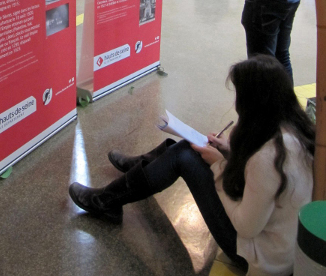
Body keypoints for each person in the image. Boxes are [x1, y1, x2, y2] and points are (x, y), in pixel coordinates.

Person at [69, 55, 314, 276]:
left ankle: (109, 200)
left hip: (255, 254)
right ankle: (138, 171)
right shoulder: (293, 130)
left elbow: (245, 227)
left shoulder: (268, 158)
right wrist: (228, 151)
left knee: (184, 155)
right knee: (186, 148)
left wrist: (219, 166)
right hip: (277, 247)